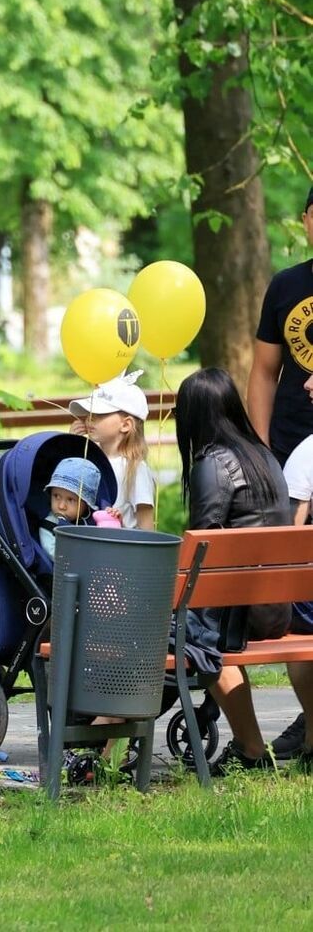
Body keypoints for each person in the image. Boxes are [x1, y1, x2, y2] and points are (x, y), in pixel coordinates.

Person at [176, 368, 313, 773]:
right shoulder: (264, 455)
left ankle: (251, 749)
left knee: (184, 635)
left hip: (238, 620)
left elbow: (202, 549)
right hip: (276, 610)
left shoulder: (212, 463)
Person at [247, 186, 313, 755]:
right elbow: (264, 371)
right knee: (298, 595)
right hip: (292, 461)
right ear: (305, 220)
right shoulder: (287, 286)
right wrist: (260, 449)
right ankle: (308, 718)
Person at [68, 372, 157, 530]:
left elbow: (147, 528)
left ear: (125, 425)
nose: (89, 419)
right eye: (89, 414)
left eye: (99, 414)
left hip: (123, 551)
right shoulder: (88, 461)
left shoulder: (135, 469)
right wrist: (74, 447)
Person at [36, 457, 102, 561]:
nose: (61, 506)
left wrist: (113, 518)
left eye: (71, 500)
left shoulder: (94, 517)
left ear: (86, 503)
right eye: (56, 496)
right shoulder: (49, 526)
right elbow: (55, 554)